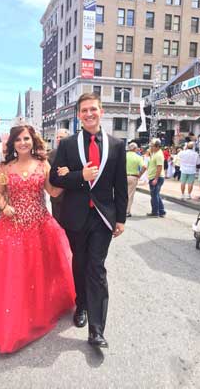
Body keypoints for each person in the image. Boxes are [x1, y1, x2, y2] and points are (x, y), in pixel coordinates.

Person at [0, 125, 75, 353]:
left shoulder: (43, 164)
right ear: (13, 144)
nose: (23, 143)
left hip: (41, 225)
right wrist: (3, 206)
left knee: (39, 272)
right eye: (19, 139)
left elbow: (53, 192)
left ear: (33, 141)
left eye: (27, 138)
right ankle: (17, 311)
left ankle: (38, 309)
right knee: (15, 273)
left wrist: (65, 178)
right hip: (13, 226)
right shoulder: (5, 167)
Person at [50, 93, 128, 349]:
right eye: (84, 110)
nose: (89, 114)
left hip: (103, 217)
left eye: (93, 109)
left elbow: (120, 184)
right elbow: (57, 178)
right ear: (79, 115)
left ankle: (97, 330)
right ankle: (81, 304)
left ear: (101, 111)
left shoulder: (116, 145)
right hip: (76, 215)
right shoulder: (68, 145)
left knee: (97, 268)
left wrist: (121, 218)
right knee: (80, 264)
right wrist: (80, 176)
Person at [48, 129, 70, 224]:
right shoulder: (51, 154)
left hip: (72, 195)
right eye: (57, 137)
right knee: (57, 224)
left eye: (61, 137)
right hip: (56, 197)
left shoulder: (75, 152)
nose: (58, 139)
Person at [126, 142, 146, 217]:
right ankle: (127, 211)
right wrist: (140, 175)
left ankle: (119, 210)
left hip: (122, 176)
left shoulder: (124, 155)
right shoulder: (138, 157)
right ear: (135, 149)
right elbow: (144, 167)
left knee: (120, 194)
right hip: (133, 176)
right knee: (130, 195)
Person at [146, 138, 166, 218]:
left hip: (156, 177)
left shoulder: (158, 155)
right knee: (156, 195)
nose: (151, 147)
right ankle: (161, 211)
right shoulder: (155, 152)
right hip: (155, 176)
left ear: (157, 146)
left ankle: (155, 212)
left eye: (152, 146)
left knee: (154, 195)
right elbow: (148, 153)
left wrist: (156, 179)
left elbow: (159, 167)